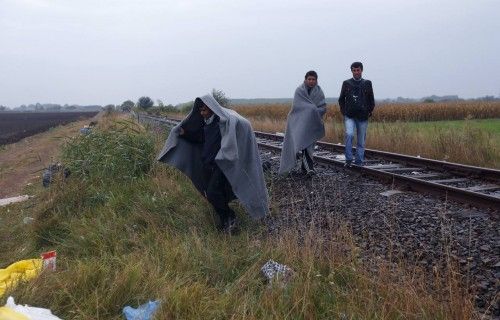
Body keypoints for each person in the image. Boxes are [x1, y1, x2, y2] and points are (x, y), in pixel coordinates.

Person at [157, 94, 269, 233]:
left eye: (205, 110)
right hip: (208, 165)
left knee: (212, 193)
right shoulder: (207, 124)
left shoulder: (221, 123)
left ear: (212, 109)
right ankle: (225, 223)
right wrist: (184, 133)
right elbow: (200, 139)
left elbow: (235, 130)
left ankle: (231, 218)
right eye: (200, 110)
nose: (202, 113)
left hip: (220, 166)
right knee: (212, 193)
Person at [279, 70, 326, 175]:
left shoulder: (319, 91)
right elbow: (297, 107)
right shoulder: (299, 91)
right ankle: (292, 167)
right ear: (305, 80)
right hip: (298, 123)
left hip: (312, 123)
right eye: (309, 79)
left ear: (316, 80)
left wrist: (313, 111)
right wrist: (311, 109)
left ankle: (307, 168)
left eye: (313, 79)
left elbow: (322, 107)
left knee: (309, 145)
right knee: (297, 145)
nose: (311, 81)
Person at [338, 62, 375, 167]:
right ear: (352, 71)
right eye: (354, 70)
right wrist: (344, 112)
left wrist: (369, 111)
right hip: (349, 116)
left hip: (363, 116)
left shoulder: (367, 83)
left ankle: (359, 162)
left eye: (358, 70)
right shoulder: (346, 83)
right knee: (349, 134)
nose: (356, 72)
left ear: (361, 70)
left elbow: (371, 99)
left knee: (361, 140)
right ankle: (348, 159)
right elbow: (341, 99)